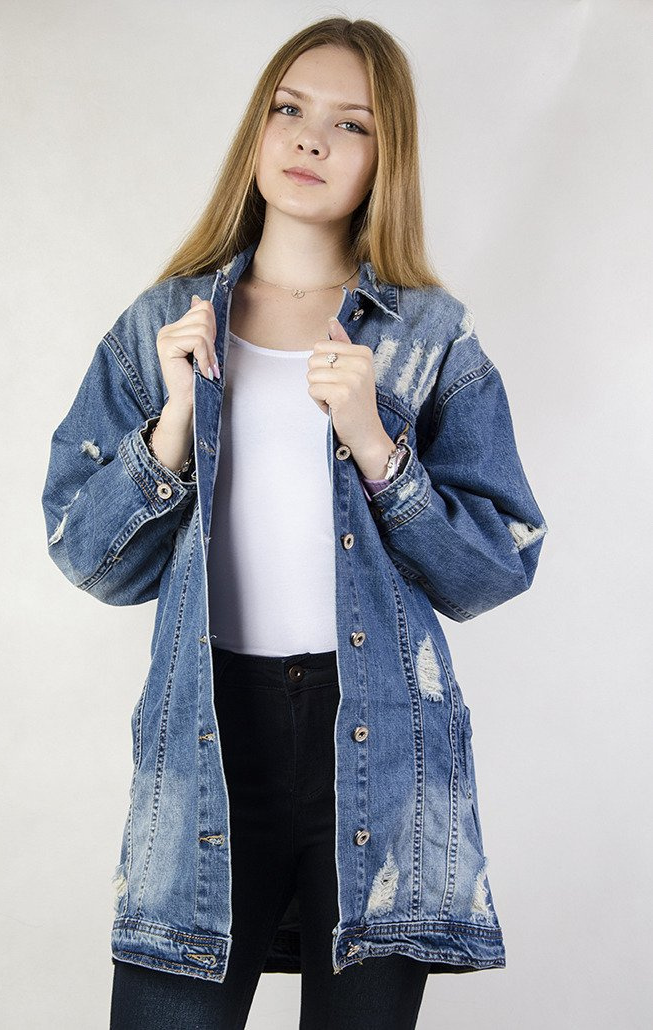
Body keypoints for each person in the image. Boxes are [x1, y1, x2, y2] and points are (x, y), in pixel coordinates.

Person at [41, 16, 548, 1030]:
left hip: (380, 749)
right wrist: (173, 425)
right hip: (207, 734)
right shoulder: (165, 324)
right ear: (259, 129)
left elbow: (495, 565)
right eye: (290, 109)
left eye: (351, 124)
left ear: (386, 158)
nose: (312, 139)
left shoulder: (429, 337)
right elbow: (87, 555)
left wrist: (378, 446)